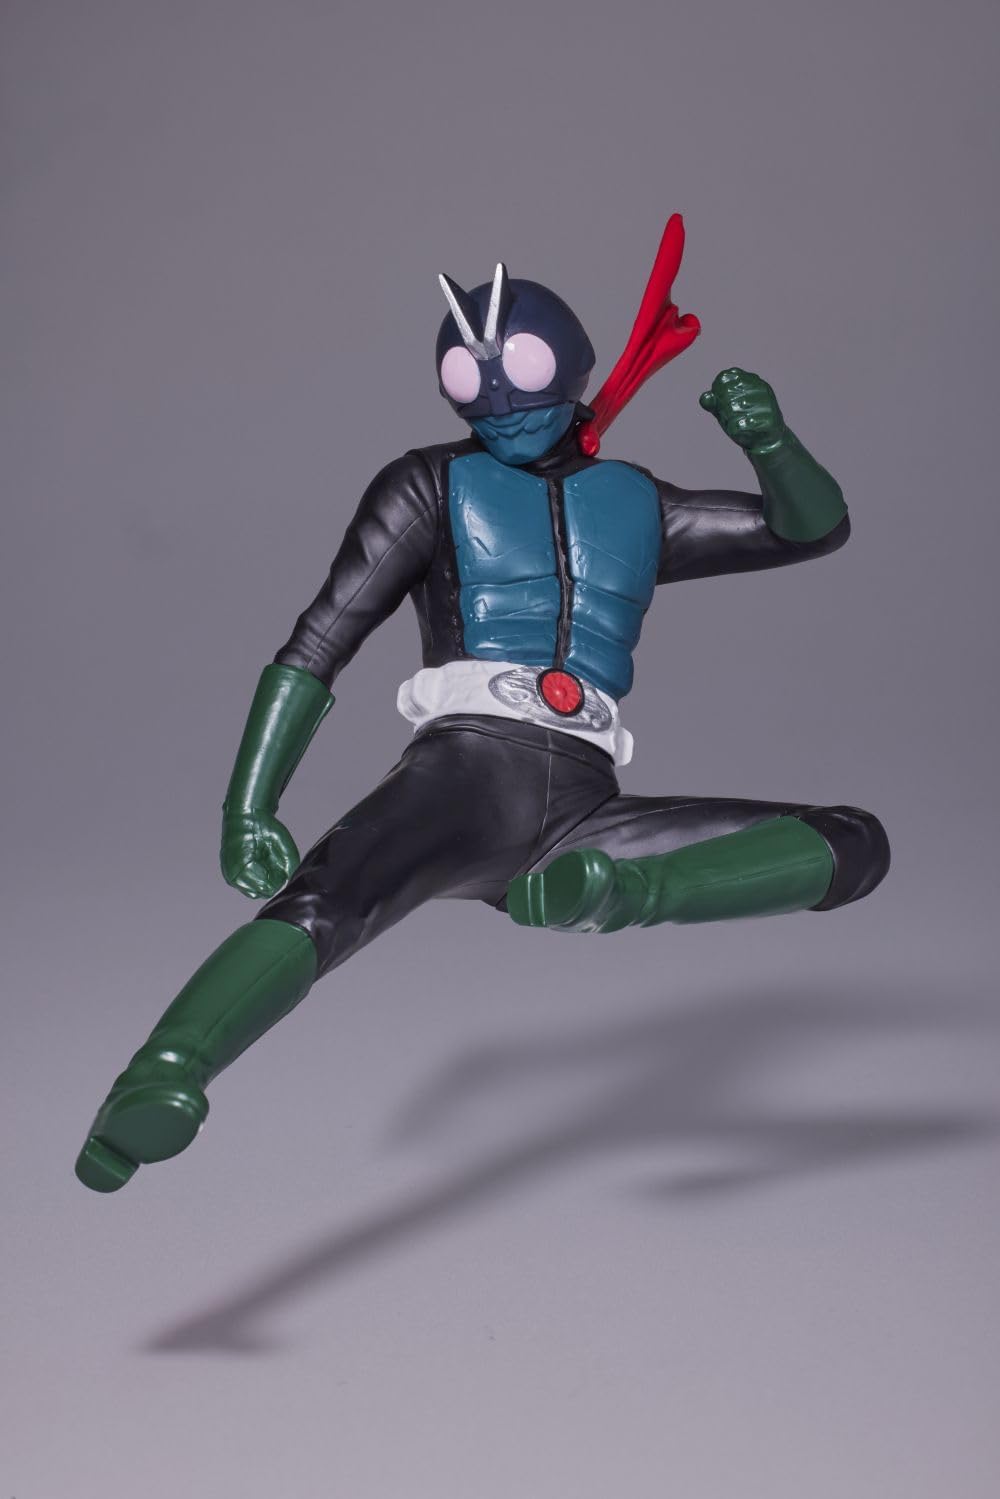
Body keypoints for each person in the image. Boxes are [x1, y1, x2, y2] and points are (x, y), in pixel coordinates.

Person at [75, 219, 889, 1193]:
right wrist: (248, 801)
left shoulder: (639, 502)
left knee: (850, 842)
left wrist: (770, 440)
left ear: (572, 364)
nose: (497, 397)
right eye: (468, 376)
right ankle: (159, 1078)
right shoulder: (431, 484)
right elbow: (323, 636)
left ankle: (617, 896)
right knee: (326, 903)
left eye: (520, 366)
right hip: (465, 770)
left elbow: (811, 528)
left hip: (585, 808)